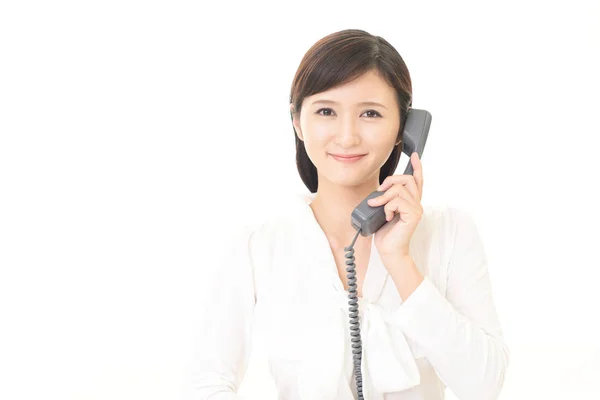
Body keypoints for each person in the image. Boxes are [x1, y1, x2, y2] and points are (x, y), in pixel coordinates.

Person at [183, 29, 509, 400]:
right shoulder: (258, 246)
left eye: (370, 113)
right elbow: (207, 384)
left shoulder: (450, 232)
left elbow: (484, 386)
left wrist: (400, 261)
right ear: (297, 121)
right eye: (326, 111)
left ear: (404, 128)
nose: (347, 136)